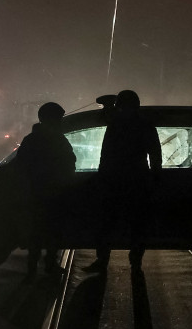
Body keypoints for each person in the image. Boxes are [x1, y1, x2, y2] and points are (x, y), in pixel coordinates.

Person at [89, 89, 161, 271]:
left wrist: (102, 178)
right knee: (137, 224)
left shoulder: (115, 124)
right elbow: (155, 155)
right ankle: (135, 261)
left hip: (114, 181)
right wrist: (155, 179)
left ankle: (102, 260)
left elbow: (105, 155)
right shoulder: (145, 125)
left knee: (107, 222)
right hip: (138, 180)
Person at [13, 102, 76, 278]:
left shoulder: (30, 140)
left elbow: (20, 168)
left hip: (35, 195)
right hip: (52, 195)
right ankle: (49, 265)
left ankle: (31, 270)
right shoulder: (57, 140)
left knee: (36, 235)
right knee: (52, 233)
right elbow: (70, 162)